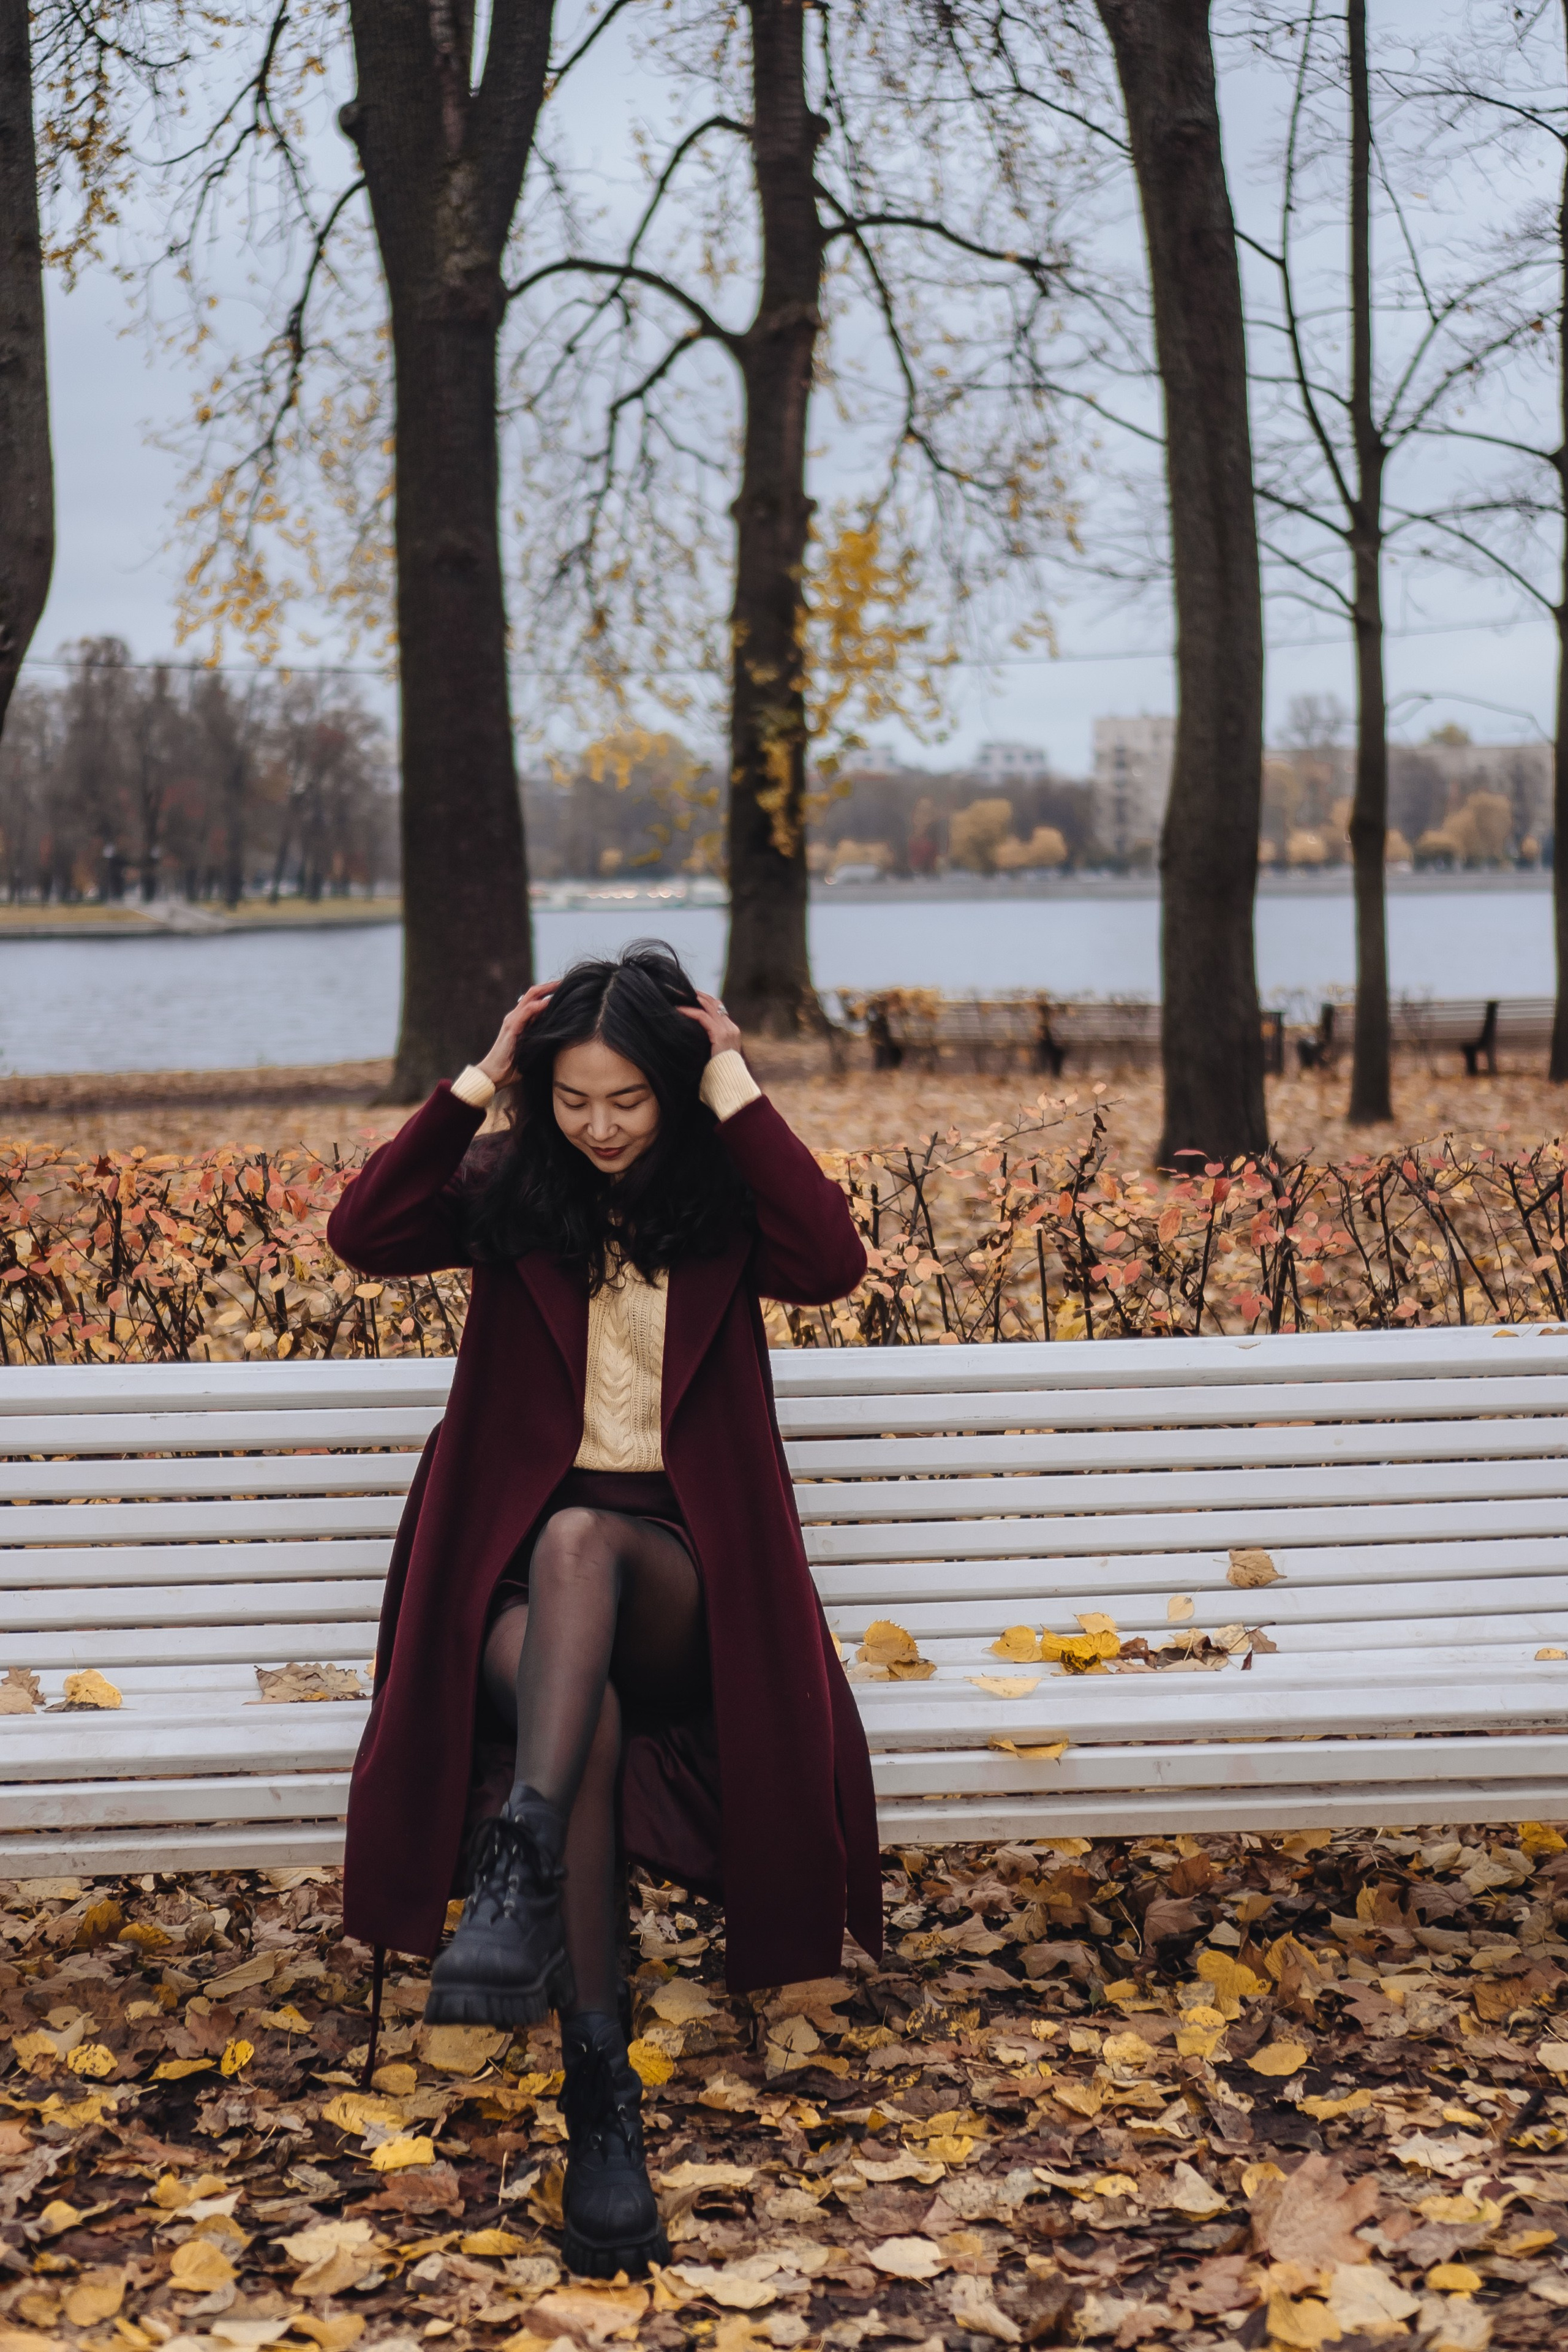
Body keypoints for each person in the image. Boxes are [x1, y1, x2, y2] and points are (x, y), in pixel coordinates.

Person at [326, 941, 883, 2280]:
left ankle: (515, 1883)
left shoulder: (725, 1200)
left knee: (588, 1545)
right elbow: (362, 1233)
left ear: (673, 1087)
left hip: (679, 1583)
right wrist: (475, 1079)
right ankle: (599, 2101)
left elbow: (832, 1260)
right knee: (573, 1706)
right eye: (571, 1100)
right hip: (521, 1593)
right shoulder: (505, 1193)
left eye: (627, 1098)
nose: (598, 1126)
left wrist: (739, 1085)